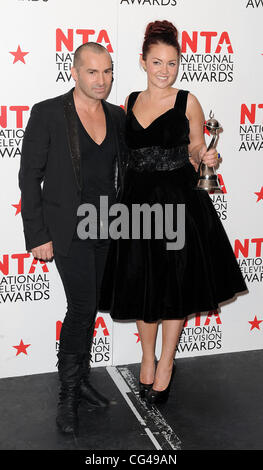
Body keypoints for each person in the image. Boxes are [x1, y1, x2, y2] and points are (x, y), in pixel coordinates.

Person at [99, 20, 247, 405]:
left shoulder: (188, 101)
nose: (165, 70)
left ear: (179, 64)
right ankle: (146, 358)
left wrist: (206, 155)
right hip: (136, 205)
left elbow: (197, 148)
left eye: (172, 63)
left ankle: (166, 363)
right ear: (143, 62)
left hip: (179, 202)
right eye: (157, 62)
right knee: (143, 284)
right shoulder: (129, 101)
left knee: (174, 287)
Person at [19, 42, 128, 434]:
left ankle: (81, 380)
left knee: (90, 305)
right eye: (93, 72)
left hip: (110, 227)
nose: (102, 80)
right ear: (75, 72)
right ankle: (68, 392)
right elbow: (29, 177)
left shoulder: (117, 117)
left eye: (108, 71)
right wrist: (37, 233)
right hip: (69, 229)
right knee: (82, 307)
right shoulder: (48, 113)